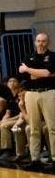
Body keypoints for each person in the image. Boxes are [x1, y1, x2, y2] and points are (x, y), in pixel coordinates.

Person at [18, 32, 54, 166]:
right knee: (33, 127)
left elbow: (48, 72)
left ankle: (54, 157)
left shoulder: (53, 56)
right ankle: (35, 158)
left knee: (52, 127)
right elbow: (28, 76)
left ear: (48, 42)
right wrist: (40, 73)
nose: (41, 43)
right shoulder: (29, 57)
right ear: (35, 42)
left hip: (49, 92)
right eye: (38, 41)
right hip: (31, 93)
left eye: (43, 41)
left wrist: (29, 69)